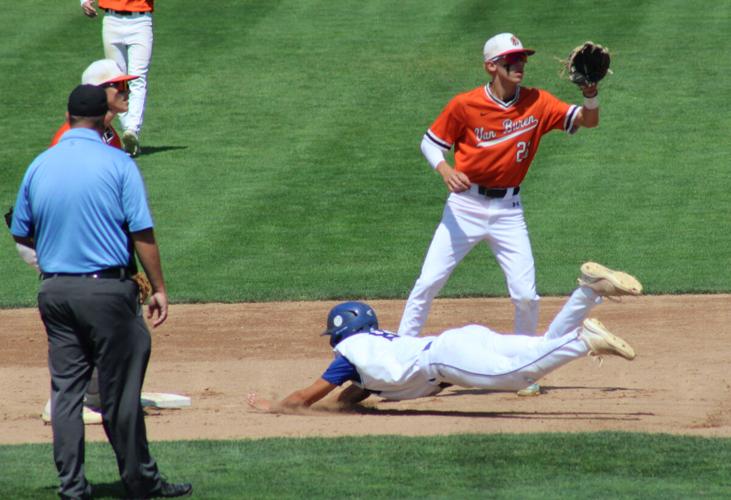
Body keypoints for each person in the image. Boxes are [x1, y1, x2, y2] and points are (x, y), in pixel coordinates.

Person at [10, 85, 190, 499]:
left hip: (54, 291)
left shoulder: (40, 164)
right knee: (120, 394)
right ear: (103, 118)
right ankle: (141, 483)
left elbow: (21, 229)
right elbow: (141, 231)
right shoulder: (117, 163)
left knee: (67, 394)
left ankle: (72, 488)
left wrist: (61, 251)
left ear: (69, 115)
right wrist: (158, 287)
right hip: (106, 292)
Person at [398, 32, 603, 397]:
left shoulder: (538, 102)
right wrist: (445, 171)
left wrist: (590, 93)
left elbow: (588, 122)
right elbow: (429, 142)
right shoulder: (465, 105)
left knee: (526, 296)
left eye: (522, 59)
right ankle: (398, 357)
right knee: (428, 282)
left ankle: (522, 371)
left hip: (509, 210)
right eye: (512, 60)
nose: (520, 65)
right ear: (491, 66)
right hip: (465, 208)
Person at [248, 262, 641, 411]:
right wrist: (346, 405)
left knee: (518, 377)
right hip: (459, 341)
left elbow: (306, 396)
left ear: (342, 332)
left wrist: (274, 405)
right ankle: (588, 290)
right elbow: (358, 391)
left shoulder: (348, 355)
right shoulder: (376, 347)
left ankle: (583, 340)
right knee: (538, 349)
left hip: (446, 360)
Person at [80, 0, 155, 157]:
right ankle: (129, 133)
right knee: (116, 80)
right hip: (111, 19)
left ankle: (131, 129)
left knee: (138, 78)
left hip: (141, 21)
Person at [51, 58, 138, 149]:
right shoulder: (71, 139)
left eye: (126, 84)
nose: (128, 91)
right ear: (98, 90)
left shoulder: (108, 132)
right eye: (121, 86)